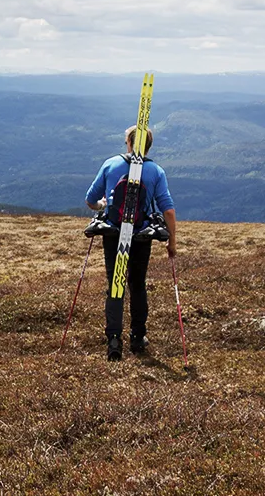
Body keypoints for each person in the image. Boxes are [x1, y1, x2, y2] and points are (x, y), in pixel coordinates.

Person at [84, 126, 177, 361]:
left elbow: (90, 200)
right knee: (137, 285)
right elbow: (168, 209)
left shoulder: (111, 165)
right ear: (148, 146)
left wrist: (103, 206)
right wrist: (171, 242)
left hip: (113, 234)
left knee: (115, 285)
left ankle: (114, 340)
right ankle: (138, 337)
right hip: (141, 237)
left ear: (128, 142)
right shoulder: (156, 171)